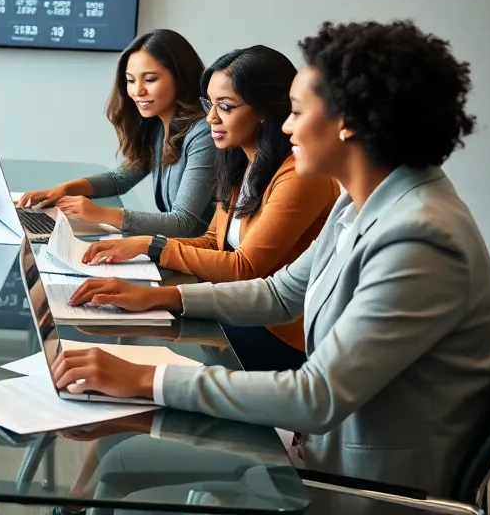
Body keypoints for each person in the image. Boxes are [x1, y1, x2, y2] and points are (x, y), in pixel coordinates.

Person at [52, 20, 490, 495]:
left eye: (296, 112)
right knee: (116, 433)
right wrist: (160, 298)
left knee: (123, 447)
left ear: (347, 121)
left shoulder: (420, 237)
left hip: (356, 484)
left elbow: (318, 395)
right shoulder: (360, 202)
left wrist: (145, 378)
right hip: (318, 442)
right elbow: (281, 292)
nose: (284, 126)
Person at [81, 46, 339, 370]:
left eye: (226, 107)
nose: (211, 118)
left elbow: (246, 268)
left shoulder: (298, 176)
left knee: (155, 350)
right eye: (209, 104)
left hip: (283, 336)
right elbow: (212, 241)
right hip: (243, 312)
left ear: (265, 111)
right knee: (129, 326)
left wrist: (153, 245)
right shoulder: (241, 161)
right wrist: (141, 249)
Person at [19, 29, 216, 237]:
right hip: (177, 250)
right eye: (130, 80)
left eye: (149, 80)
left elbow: (181, 222)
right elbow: (120, 178)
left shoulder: (204, 133)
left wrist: (101, 214)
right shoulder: (158, 126)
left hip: (200, 258)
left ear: (181, 77)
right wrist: (65, 189)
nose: (137, 91)